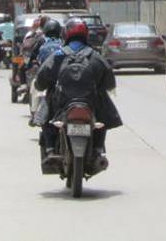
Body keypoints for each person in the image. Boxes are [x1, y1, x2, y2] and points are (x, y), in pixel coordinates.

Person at [35, 18, 122, 170]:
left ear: (66, 34)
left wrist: (44, 86)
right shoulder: (95, 56)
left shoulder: (58, 55)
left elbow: (41, 80)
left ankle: (49, 150)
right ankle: (97, 149)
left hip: (62, 105)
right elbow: (109, 83)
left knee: (46, 115)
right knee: (102, 117)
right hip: (89, 106)